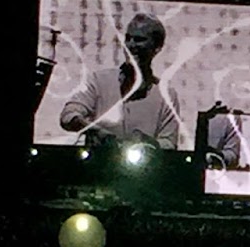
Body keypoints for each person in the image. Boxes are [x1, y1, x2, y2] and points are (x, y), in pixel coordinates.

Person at [58, 13, 179, 151]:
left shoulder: (166, 96)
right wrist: (93, 130)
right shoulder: (99, 80)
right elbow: (68, 115)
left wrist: (148, 143)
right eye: (128, 39)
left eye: (139, 40)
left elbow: (169, 143)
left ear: (157, 47)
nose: (130, 45)